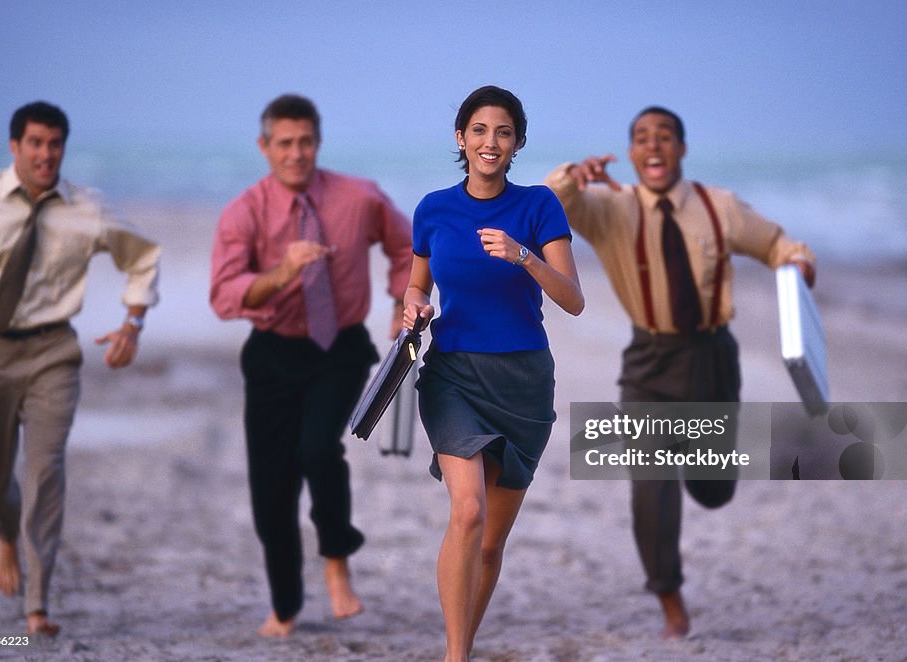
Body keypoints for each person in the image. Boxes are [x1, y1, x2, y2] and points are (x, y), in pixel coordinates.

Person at [544, 106, 816, 639]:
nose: (654, 146)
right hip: (649, 364)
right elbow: (554, 206)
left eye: (664, 137)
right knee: (652, 484)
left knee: (714, 490)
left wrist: (798, 265)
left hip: (713, 361)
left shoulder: (720, 207)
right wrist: (572, 177)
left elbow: (779, 245)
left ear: (681, 149)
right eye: (642, 138)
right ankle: (669, 598)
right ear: (631, 153)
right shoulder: (610, 210)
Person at [209, 94, 412, 637]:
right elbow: (224, 296)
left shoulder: (359, 197)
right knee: (271, 495)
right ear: (264, 147)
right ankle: (285, 606)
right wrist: (280, 273)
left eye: (305, 143)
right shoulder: (244, 211)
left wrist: (400, 303)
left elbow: (407, 244)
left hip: (338, 349)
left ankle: (337, 558)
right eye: (284, 144)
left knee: (320, 448)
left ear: (317, 143)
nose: (296, 154)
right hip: (273, 353)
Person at [0, 101, 160, 636]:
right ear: (15, 147)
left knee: (46, 471)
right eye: (36, 143)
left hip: (54, 353)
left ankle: (37, 602)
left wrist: (132, 322)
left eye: (55, 144)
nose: (46, 154)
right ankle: (5, 533)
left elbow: (142, 256)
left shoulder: (87, 208)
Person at [403, 85, 584, 662]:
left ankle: (464, 642)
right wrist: (411, 305)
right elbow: (416, 283)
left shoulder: (538, 207)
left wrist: (523, 256)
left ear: (517, 143)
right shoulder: (433, 209)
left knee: (490, 544)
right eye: (479, 131)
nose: (490, 142)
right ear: (461, 139)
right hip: (453, 375)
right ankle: (456, 657)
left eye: (503, 132)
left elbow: (574, 300)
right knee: (469, 511)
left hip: (524, 384)